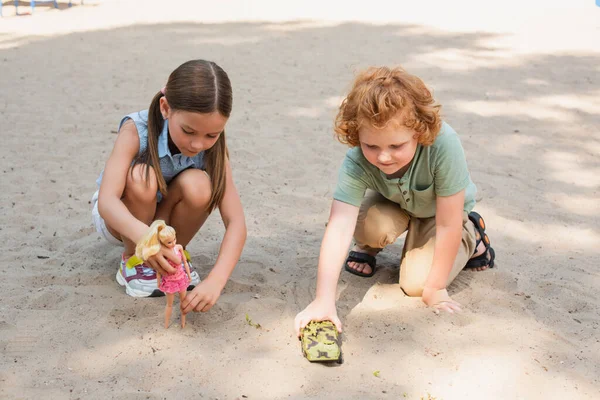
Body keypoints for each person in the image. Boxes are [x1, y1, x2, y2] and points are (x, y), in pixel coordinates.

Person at [294, 66, 495, 335]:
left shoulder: (443, 145)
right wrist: (323, 300)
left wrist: (435, 290)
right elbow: (339, 226)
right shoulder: (356, 160)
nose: (383, 157)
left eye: (396, 146)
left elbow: (448, 223)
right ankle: (368, 248)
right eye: (371, 146)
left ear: (418, 133)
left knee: (417, 285)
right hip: (396, 203)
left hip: (441, 213)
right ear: (358, 137)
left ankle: (473, 236)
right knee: (365, 224)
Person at [92, 60, 246, 315]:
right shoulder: (135, 130)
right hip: (123, 219)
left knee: (201, 184)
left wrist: (215, 282)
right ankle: (134, 262)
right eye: (188, 131)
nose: (198, 144)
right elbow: (107, 202)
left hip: (165, 219)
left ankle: (171, 257)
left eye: (211, 135)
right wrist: (144, 238)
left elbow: (237, 222)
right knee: (143, 176)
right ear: (166, 108)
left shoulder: (213, 148)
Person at [135, 220, 191, 328]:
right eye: (169, 242)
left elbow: (184, 262)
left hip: (181, 278)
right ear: (162, 243)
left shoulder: (178, 247)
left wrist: (188, 275)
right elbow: (159, 269)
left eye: (174, 239)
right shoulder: (162, 252)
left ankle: (183, 322)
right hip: (170, 280)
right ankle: (166, 324)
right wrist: (158, 282)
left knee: (183, 302)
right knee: (169, 304)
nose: (173, 243)